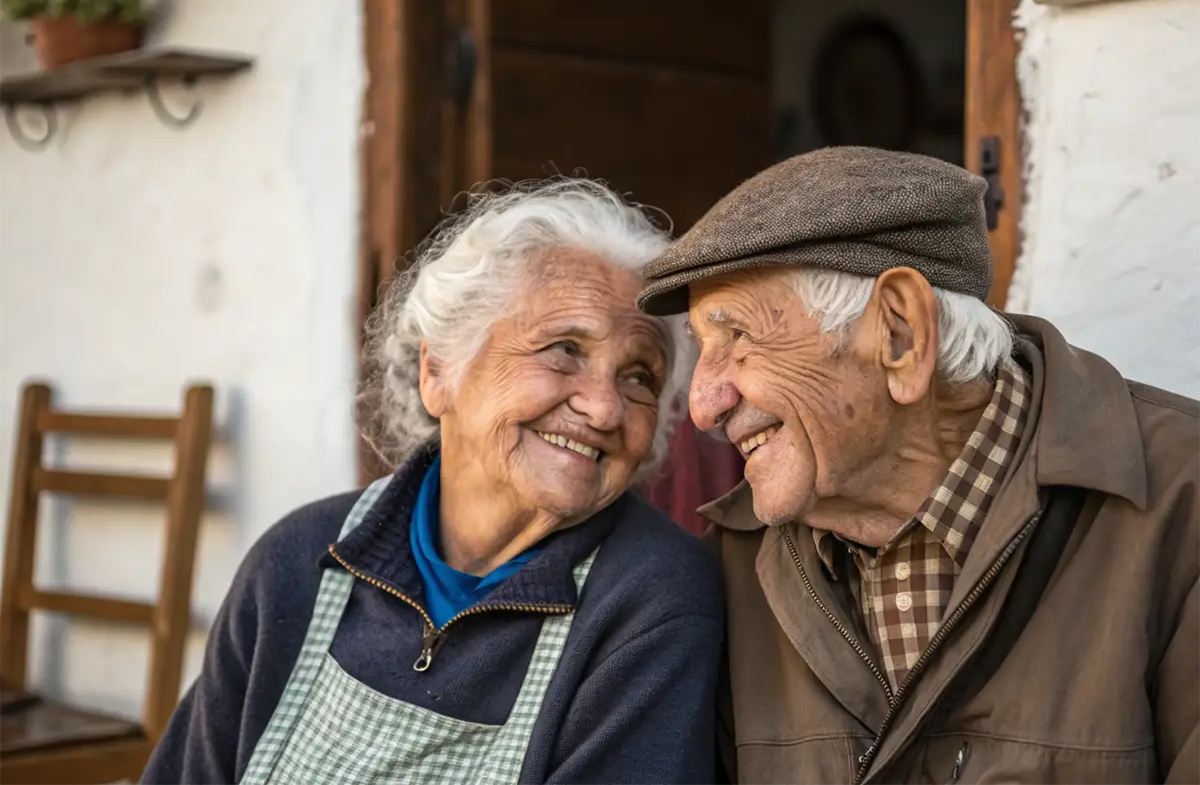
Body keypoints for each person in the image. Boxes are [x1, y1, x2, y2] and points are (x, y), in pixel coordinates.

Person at [636, 147, 1200, 784]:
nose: (706, 406)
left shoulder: (1183, 505)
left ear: (901, 335)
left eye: (736, 338)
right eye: (701, 351)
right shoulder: (730, 566)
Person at [142, 179, 724, 784]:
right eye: (564, 349)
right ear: (438, 371)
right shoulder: (299, 561)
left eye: (639, 377)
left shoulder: (652, 601)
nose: (604, 408)